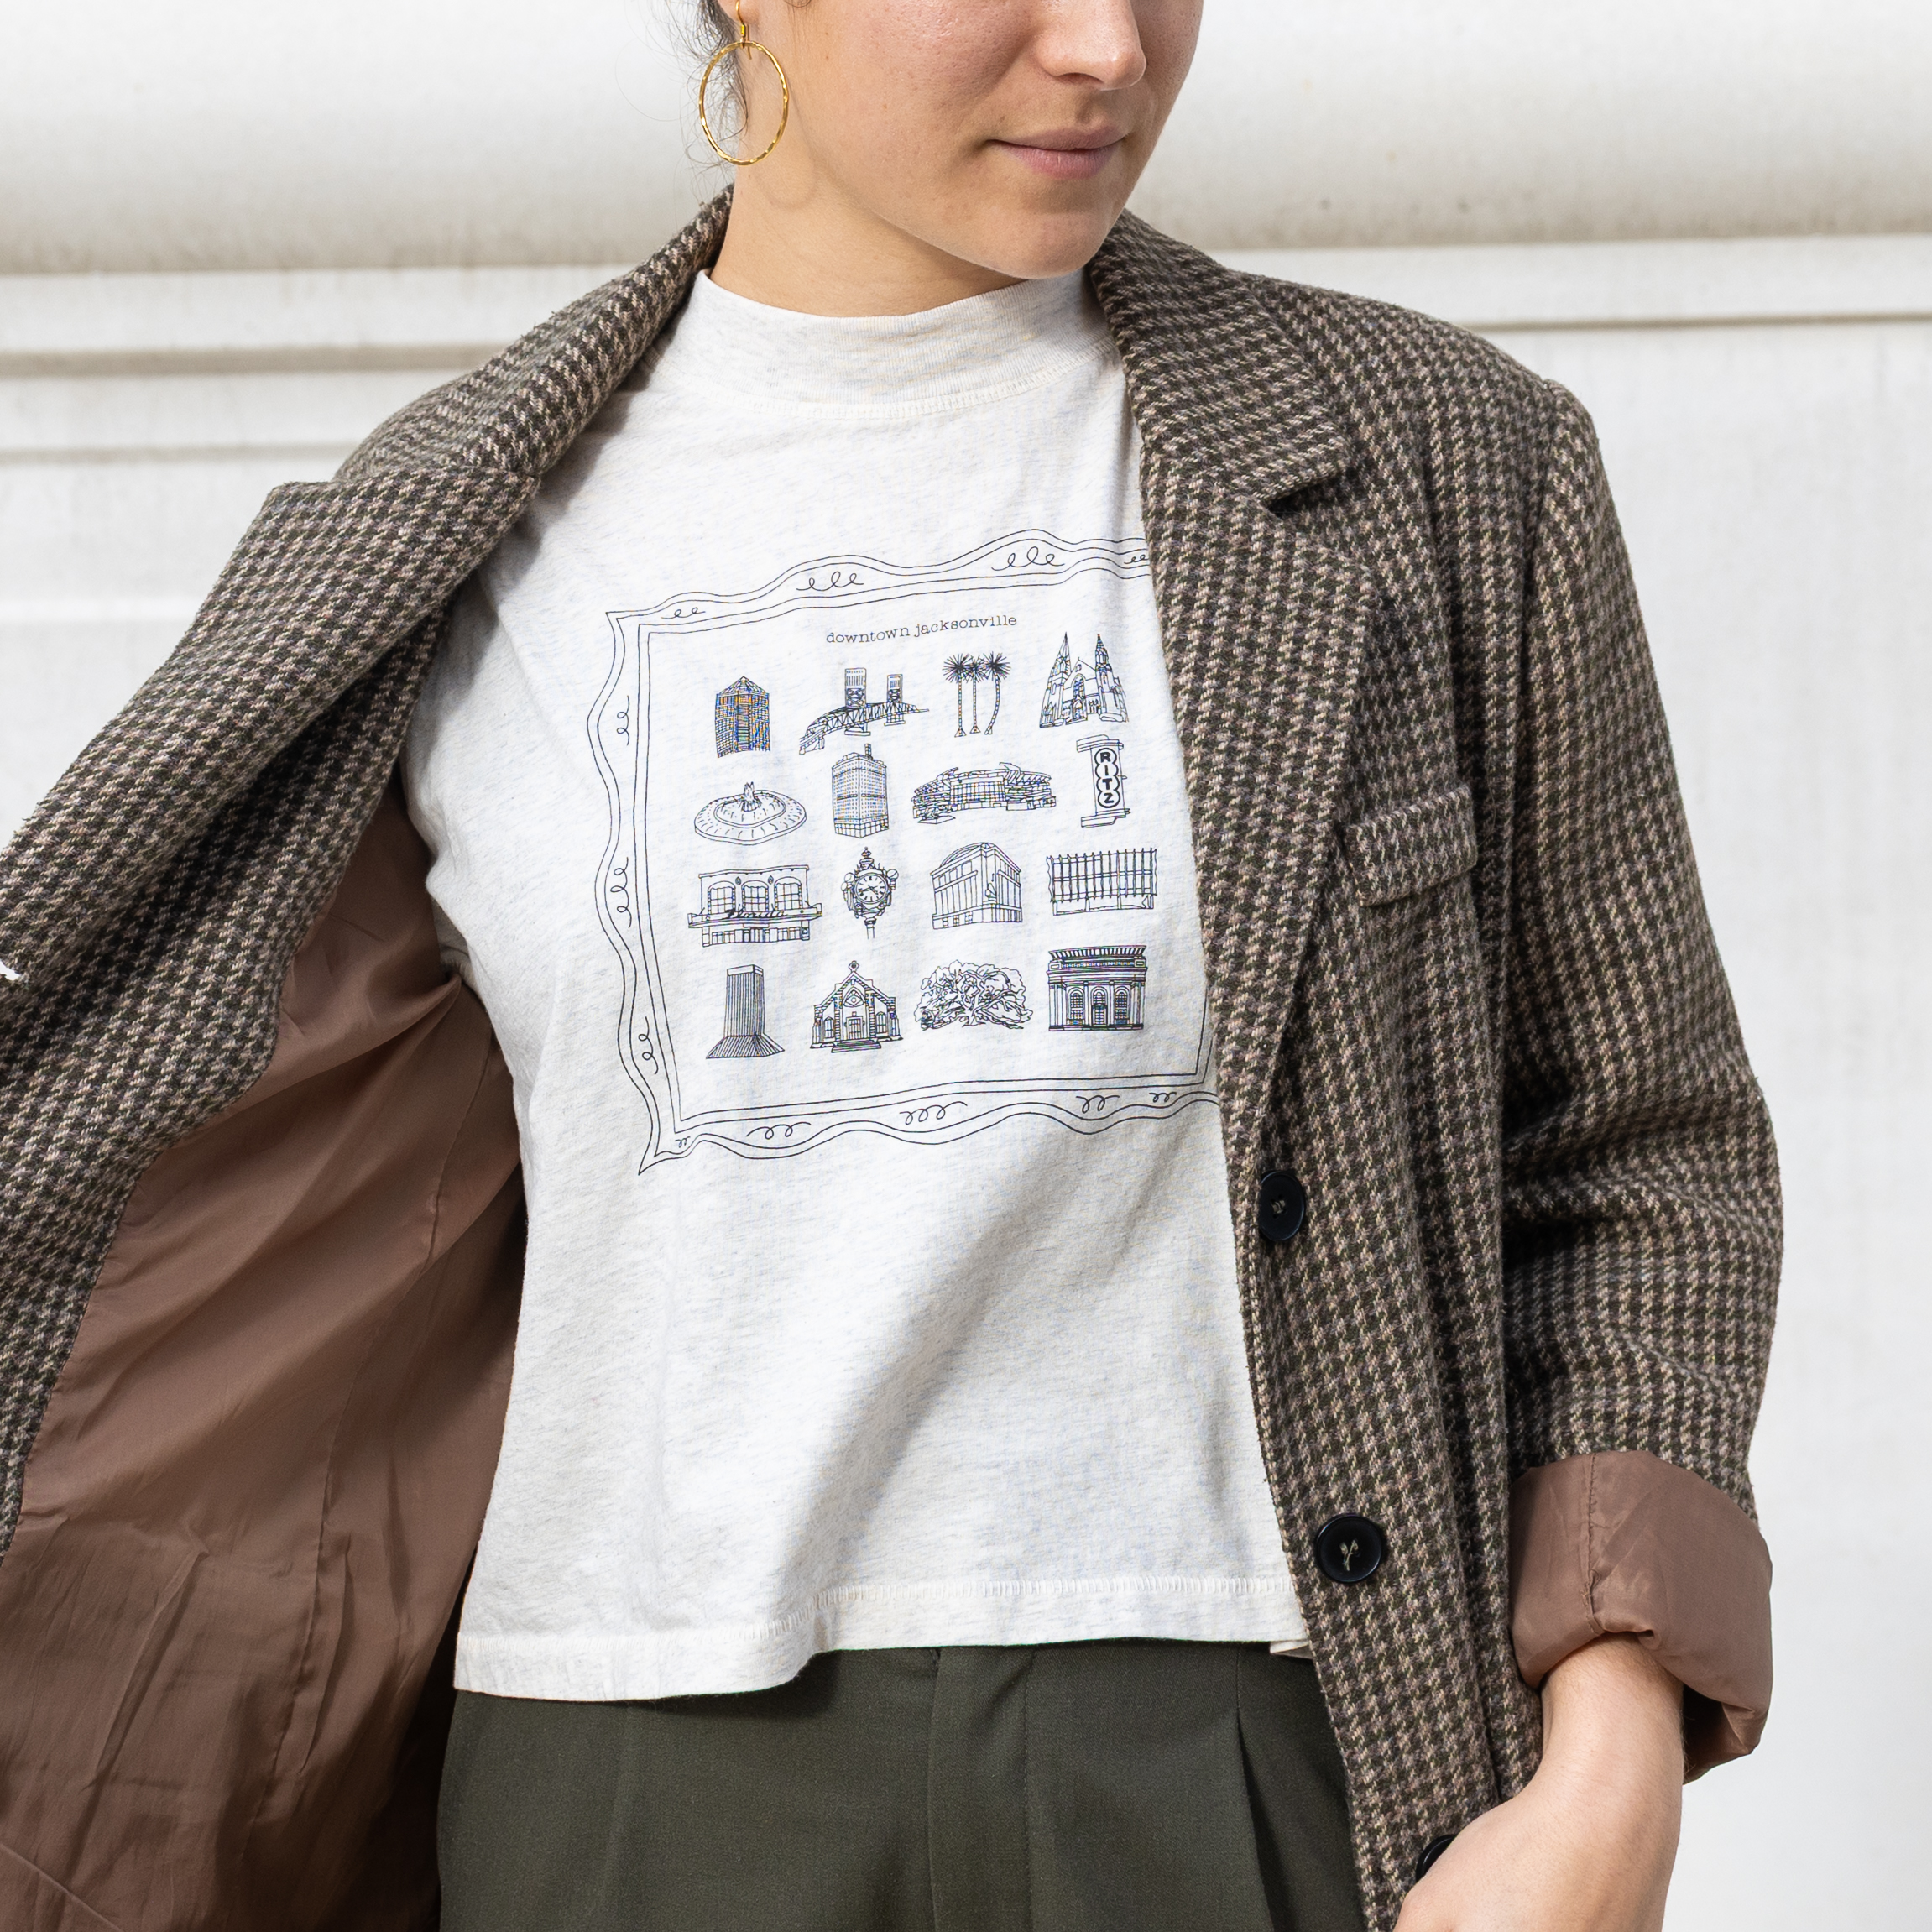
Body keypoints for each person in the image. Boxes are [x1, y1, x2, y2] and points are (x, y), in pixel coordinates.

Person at [0, 3, 1779, 1929]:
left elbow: (1634, 1147)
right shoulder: (430, 545)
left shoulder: (1435, 465)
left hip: (1242, 1733)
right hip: (632, 1769)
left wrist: (1610, 1758)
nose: (1103, 47)